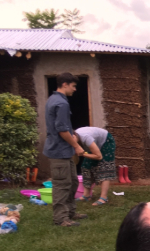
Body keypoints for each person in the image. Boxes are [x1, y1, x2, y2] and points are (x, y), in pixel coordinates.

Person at [43, 73, 86, 227]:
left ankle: (70, 212)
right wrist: (76, 145)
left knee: (73, 182)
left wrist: (73, 133)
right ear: (65, 84)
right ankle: (61, 219)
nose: (75, 89)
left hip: (64, 151)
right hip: (59, 151)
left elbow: (63, 126)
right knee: (62, 185)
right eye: (73, 86)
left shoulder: (56, 100)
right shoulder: (61, 103)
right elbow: (61, 130)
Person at [75, 125, 116, 205]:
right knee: (86, 166)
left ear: (74, 135)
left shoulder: (86, 137)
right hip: (96, 144)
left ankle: (103, 198)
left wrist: (82, 154)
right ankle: (86, 195)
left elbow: (99, 156)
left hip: (106, 141)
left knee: (105, 167)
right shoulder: (75, 138)